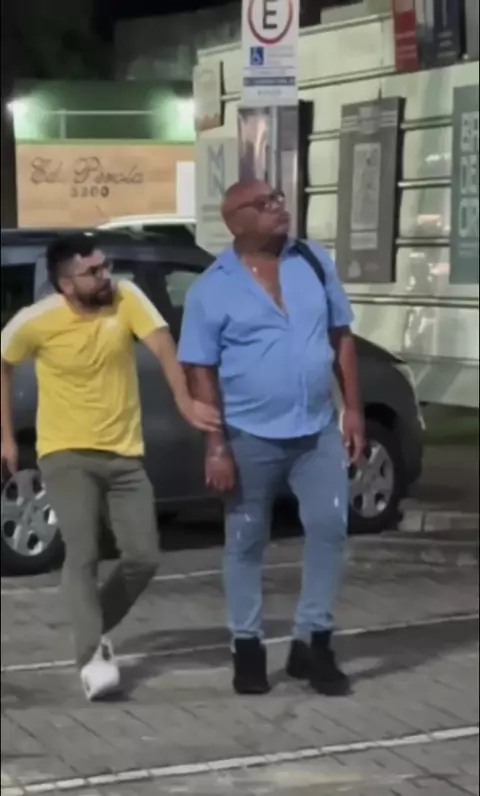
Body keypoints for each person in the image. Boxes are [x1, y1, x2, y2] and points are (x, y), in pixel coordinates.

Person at [0, 234, 219, 701]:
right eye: (93, 272)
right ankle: (90, 657)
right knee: (82, 551)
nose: (106, 277)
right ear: (65, 283)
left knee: (144, 557)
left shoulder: (127, 297)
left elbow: (162, 345)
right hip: (65, 453)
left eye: (105, 266)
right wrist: (5, 437)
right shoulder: (36, 321)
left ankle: (91, 625)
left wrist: (185, 402)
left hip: (124, 454)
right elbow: (2, 362)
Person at [178, 180, 364, 697]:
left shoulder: (312, 261)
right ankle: (247, 646)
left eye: (278, 198)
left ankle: (313, 641)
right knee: (245, 540)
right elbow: (199, 369)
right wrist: (216, 446)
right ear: (234, 220)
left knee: (329, 527)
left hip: (316, 430)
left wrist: (352, 409)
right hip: (247, 434)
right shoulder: (210, 288)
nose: (278, 208)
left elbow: (341, 336)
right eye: (263, 204)